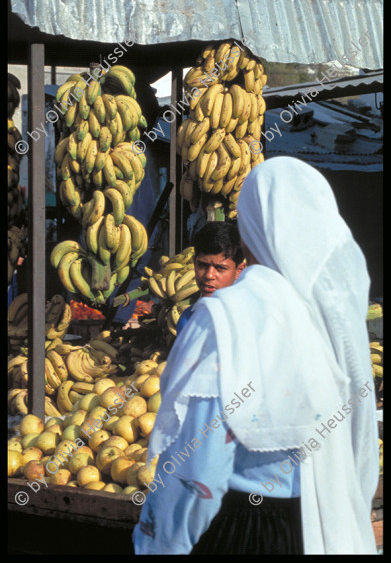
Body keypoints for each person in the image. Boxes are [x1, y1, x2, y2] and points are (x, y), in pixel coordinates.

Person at [132, 156, 379, 555]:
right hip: (319, 520)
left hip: (243, 527)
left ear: (249, 228)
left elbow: (202, 462)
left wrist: (161, 543)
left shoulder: (229, 315)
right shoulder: (331, 316)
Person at [176, 221, 245, 334]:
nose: (209, 275)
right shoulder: (187, 320)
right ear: (194, 263)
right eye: (202, 265)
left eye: (220, 268)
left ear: (239, 270)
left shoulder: (249, 318)